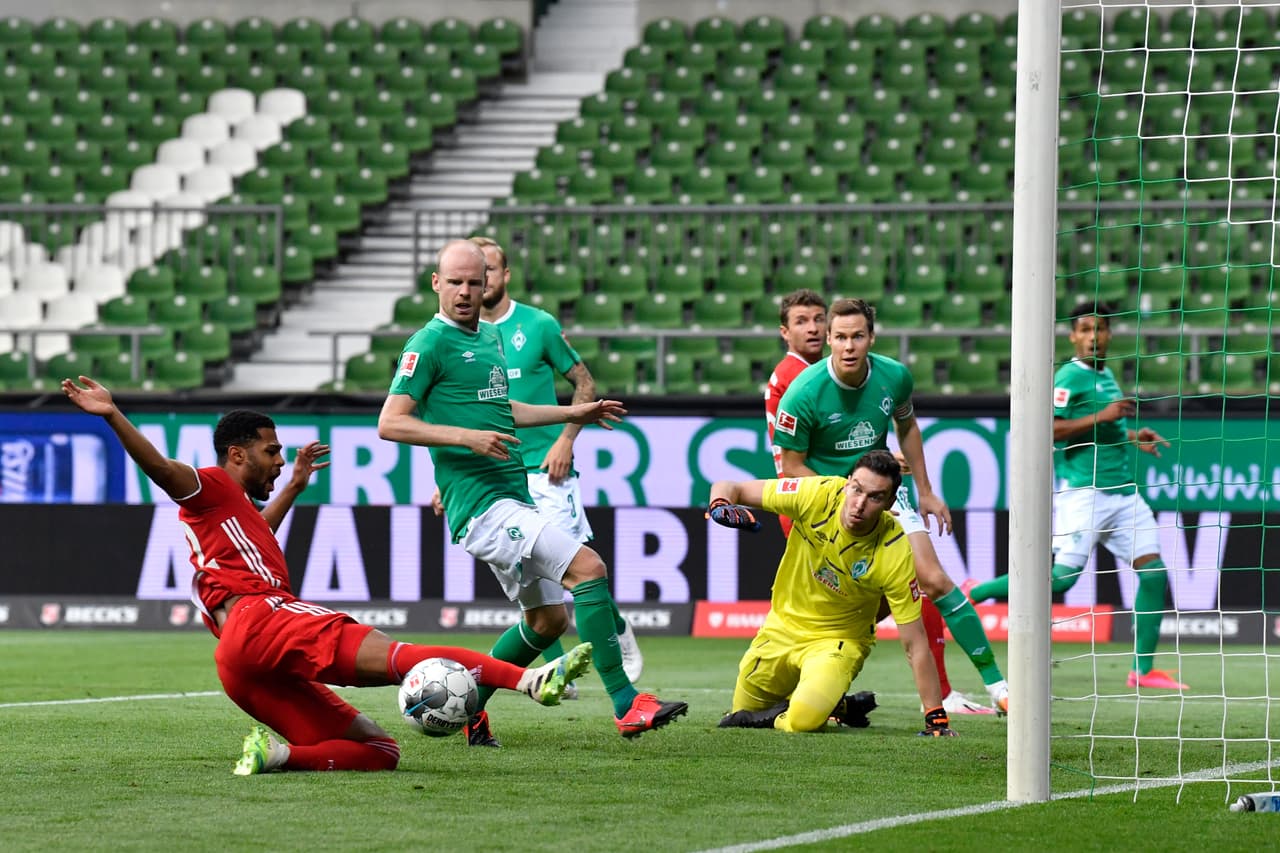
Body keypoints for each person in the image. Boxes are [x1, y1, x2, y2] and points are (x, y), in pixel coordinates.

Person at [60, 378, 593, 775]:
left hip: (238, 662)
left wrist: (292, 485)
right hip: (263, 618)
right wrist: (112, 415)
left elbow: (258, 536)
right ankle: (530, 679)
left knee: (380, 752)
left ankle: (277, 756)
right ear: (236, 453)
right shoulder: (210, 486)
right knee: (396, 653)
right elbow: (161, 469)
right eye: (270, 452)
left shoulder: (230, 513)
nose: (277, 459)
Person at [377, 239, 687, 743]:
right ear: (436, 283)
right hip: (482, 505)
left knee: (546, 622)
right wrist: (466, 437)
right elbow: (390, 423)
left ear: (489, 285)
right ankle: (627, 704)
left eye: (473, 283)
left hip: (510, 497)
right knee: (589, 568)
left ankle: (471, 707)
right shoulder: (427, 344)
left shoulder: (489, 340)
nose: (464, 292)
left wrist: (571, 413)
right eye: (454, 282)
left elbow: (505, 410)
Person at [772, 297, 1011, 714]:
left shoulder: (894, 376)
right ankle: (807, 686)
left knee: (935, 581)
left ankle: (999, 688)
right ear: (829, 339)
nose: (849, 346)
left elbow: (907, 425)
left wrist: (926, 489)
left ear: (871, 338)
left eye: (857, 336)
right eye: (841, 337)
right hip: (830, 503)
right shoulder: (803, 393)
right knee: (836, 612)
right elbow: (791, 468)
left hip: (888, 494)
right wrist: (844, 492)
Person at [965, 302, 1183, 690]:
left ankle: (1143, 669)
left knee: (1154, 574)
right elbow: (1050, 430)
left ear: (1109, 334)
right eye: (1084, 329)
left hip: (1124, 496)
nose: (1093, 337)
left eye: (1099, 329)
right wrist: (1104, 416)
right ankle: (975, 592)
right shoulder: (1068, 377)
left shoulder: (1108, 374)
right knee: (1061, 582)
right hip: (1085, 495)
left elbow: (1105, 431)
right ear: (1072, 336)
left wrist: (1134, 437)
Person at [470, 235, 643, 709]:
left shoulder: (537, 324)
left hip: (548, 471)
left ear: (505, 276)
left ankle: (617, 633)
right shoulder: (464, 339)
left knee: (580, 565)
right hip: (497, 478)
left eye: (490, 269)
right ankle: (558, 667)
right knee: (539, 590)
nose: (481, 279)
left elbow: (583, 379)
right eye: (474, 271)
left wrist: (566, 440)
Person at [707, 450, 956, 736]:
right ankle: (836, 706)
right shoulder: (818, 493)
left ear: (889, 503)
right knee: (741, 709)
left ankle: (784, 712)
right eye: (856, 489)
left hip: (837, 642)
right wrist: (719, 505)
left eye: (874, 497)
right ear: (847, 482)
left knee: (802, 722)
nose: (859, 504)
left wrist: (935, 717)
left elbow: (915, 642)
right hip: (780, 629)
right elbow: (732, 487)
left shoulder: (894, 549)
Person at [764, 289, 828, 538]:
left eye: (819, 319)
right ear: (785, 333)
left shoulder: (812, 372)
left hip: (808, 497)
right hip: (809, 500)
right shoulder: (797, 376)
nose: (812, 328)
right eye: (801, 321)